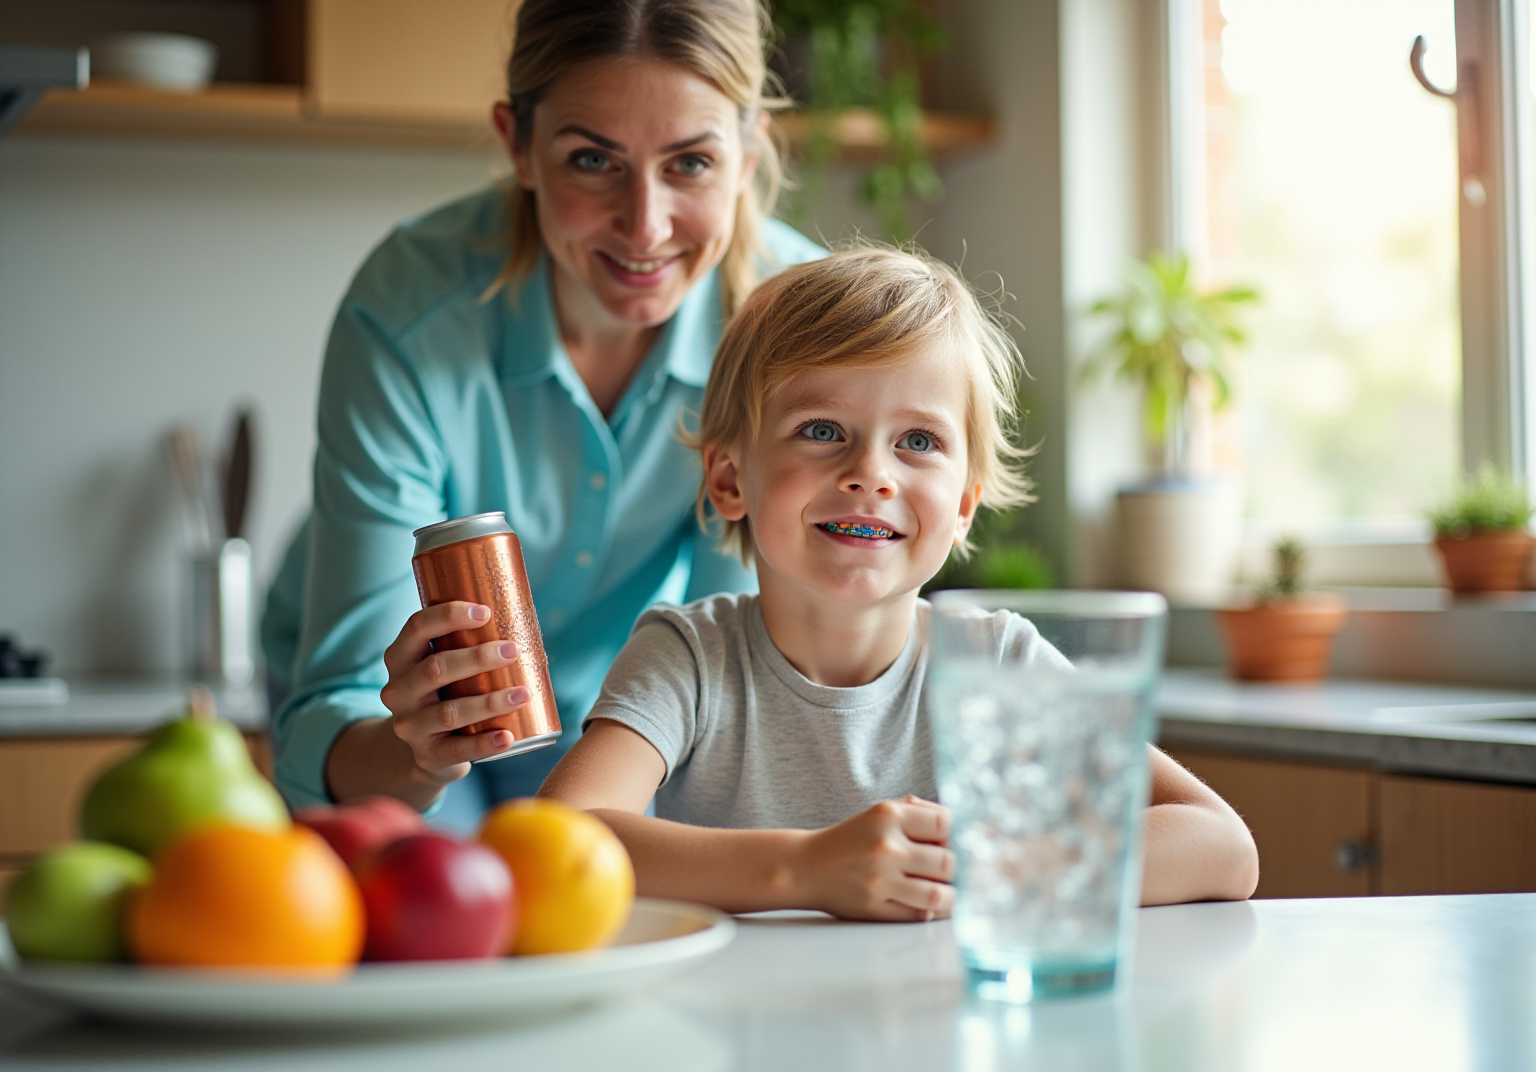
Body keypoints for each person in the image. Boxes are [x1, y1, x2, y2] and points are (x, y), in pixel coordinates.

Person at [539, 246, 1261, 918]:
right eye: (822, 429)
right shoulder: (689, 657)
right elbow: (558, 839)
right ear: (730, 479)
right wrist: (805, 870)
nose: (872, 474)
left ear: (963, 507)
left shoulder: (995, 662)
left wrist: (977, 869)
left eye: (918, 442)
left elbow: (1221, 846)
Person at [261, 0, 825, 817]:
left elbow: (738, 665)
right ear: (517, 143)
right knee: (441, 923)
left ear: (749, 152)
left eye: (691, 163)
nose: (645, 224)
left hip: (619, 714)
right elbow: (340, 707)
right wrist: (420, 745)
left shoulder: (795, 325)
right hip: (395, 713)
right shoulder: (409, 309)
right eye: (593, 161)